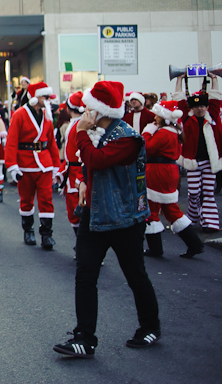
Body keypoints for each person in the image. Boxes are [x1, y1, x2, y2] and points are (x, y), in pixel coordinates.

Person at [54, 80, 160, 359]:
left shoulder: (127, 137)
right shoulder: (97, 133)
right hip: (95, 215)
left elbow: (97, 160)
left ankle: (150, 327)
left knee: (135, 275)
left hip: (125, 219)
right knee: (85, 275)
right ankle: (84, 338)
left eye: (89, 107)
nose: (85, 111)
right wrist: (83, 182)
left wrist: (80, 133)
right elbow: (89, 166)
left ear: (101, 110)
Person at [141, 101, 204, 258]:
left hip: (158, 171)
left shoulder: (164, 133)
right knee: (171, 209)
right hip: (168, 171)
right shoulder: (174, 132)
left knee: (151, 209)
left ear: (163, 117)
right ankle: (195, 244)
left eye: (157, 115)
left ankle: (156, 249)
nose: (154, 118)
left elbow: (146, 147)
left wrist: (147, 133)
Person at [5, 81, 61, 249]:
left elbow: (52, 143)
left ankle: (46, 234)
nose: (48, 100)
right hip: (25, 164)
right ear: (35, 98)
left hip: (45, 164)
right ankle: (28, 231)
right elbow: (11, 142)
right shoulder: (19, 114)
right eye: (46, 97)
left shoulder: (47, 115)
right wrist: (12, 166)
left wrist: (57, 166)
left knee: (47, 200)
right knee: (26, 200)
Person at [173, 74, 222, 232]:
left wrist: (214, 79)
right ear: (192, 108)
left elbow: (216, 97)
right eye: (196, 106)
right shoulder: (187, 117)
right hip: (192, 161)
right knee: (193, 192)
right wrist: (179, 79)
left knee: (208, 192)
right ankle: (193, 215)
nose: (200, 109)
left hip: (209, 161)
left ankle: (210, 223)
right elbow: (179, 99)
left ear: (206, 107)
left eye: (202, 106)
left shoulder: (212, 115)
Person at [56, 92, 86, 250]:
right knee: (75, 211)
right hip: (72, 170)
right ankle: (81, 246)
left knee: (78, 211)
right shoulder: (76, 123)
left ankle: (83, 247)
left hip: (77, 173)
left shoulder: (79, 125)